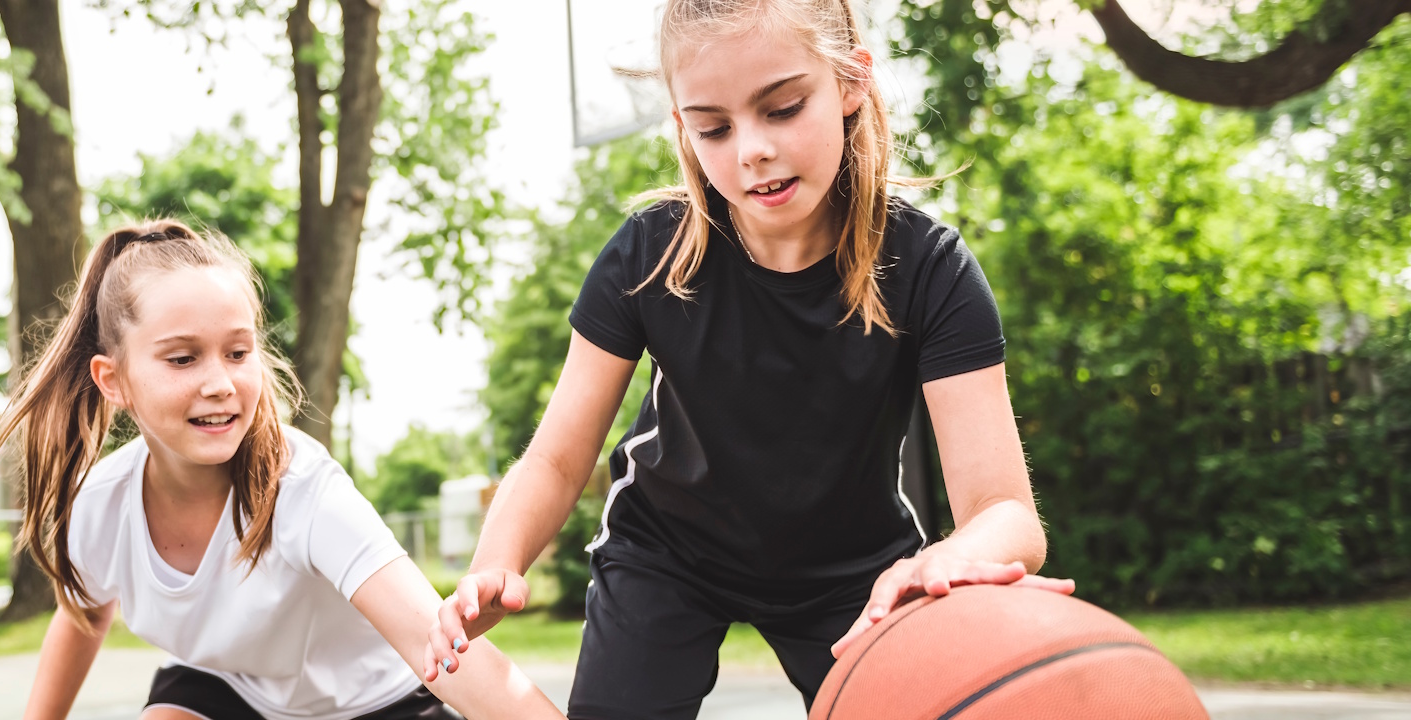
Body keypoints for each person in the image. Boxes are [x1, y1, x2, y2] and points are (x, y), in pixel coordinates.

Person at [424, 0, 1075, 716]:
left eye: (783, 108)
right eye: (713, 127)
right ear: (683, 128)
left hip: (851, 568)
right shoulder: (650, 254)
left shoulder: (930, 269)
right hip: (667, 552)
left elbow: (1006, 511)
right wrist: (497, 561)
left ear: (852, 83)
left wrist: (948, 558)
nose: (750, 150)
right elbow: (554, 460)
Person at [4, 220, 561, 720]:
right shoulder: (103, 504)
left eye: (238, 353)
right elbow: (82, 617)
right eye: (182, 358)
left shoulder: (305, 491)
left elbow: (436, 640)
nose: (220, 382)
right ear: (113, 380)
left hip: (375, 703)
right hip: (233, 692)